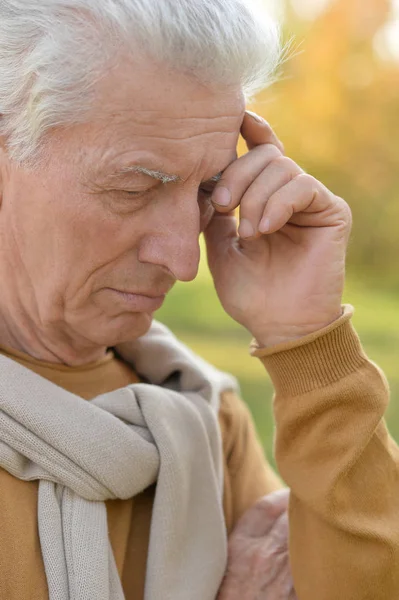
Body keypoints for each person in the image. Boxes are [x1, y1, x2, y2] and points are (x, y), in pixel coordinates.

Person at [0, 1, 398, 599]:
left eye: (210, 191)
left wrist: (306, 342)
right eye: (134, 187)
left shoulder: (196, 414)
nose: (185, 261)